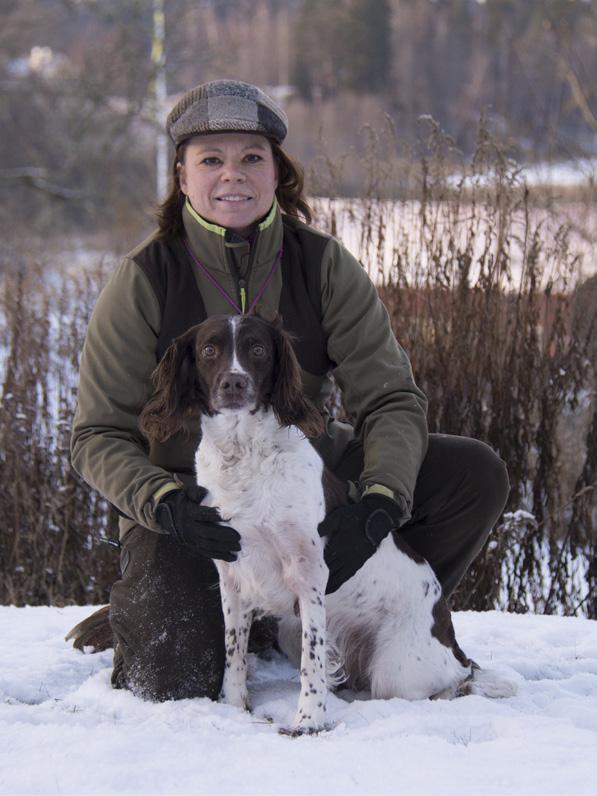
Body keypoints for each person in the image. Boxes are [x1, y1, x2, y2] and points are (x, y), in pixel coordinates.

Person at [71, 79, 509, 702]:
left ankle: (374, 621)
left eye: (252, 157)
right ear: (182, 175)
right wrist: (163, 502)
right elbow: (97, 434)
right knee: (171, 677)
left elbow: (390, 399)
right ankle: (176, 610)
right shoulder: (145, 277)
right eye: (211, 160)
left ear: (278, 171)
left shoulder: (323, 265)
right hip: (196, 507)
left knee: (472, 475)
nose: (233, 176)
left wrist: (380, 500)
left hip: (304, 479)